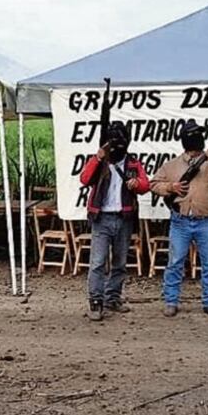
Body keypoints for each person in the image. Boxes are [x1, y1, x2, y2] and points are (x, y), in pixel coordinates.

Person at [150, 119, 208, 318]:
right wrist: (171, 188)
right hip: (180, 220)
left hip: (206, 220)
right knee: (175, 262)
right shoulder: (171, 165)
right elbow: (153, 184)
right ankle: (171, 301)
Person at [79, 121, 150, 321]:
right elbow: (84, 179)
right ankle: (95, 301)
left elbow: (145, 185)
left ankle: (113, 298)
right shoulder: (100, 162)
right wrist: (97, 157)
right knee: (98, 262)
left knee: (119, 262)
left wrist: (137, 184)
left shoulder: (133, 163)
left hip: (123, 217)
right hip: (101, 218)